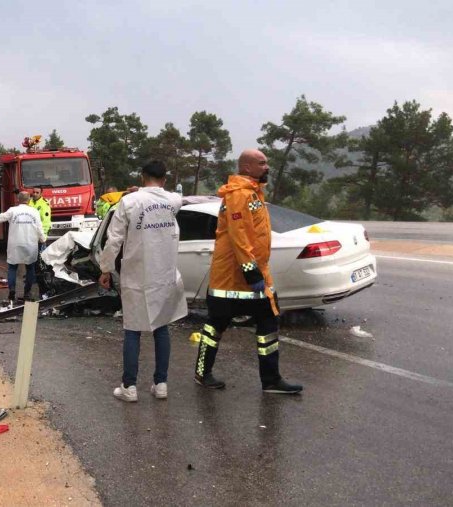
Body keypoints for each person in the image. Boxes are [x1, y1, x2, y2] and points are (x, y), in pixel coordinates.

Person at [193, 149, 302, 394]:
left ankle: (271, 379)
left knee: (268, 324)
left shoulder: (254, 193)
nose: (267, 167)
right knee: (215, 326)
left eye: (267, 162)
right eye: (262, 163)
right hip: (230, 280)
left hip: (255, 277)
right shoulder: (238, 196)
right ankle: (202, 372)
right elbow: (239, 236)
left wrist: (257, 273)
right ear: (246, 168)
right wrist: (250, 271)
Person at [99, 160, 186, 402]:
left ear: (141, 177)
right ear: (165, 179)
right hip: (164, 275)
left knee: (133, 329)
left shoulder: (129, 202)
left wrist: (105, 269)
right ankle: (161, 384)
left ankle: (130, 386)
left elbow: (114, 239)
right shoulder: (173, 200)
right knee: (161, 327)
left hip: (137, 274)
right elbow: (180, 198)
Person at [0, 192, 45, 306]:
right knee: (30, 268)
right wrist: (43, 240)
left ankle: (12, 291)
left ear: (18, 200)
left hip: (15, 245)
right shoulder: (35, 212)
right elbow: (39, 228)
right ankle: (27, 293)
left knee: (12, 268)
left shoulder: (12, 210)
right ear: (28, 200)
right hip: (30, 244)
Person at [30, 187, 53, 298]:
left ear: (41, 194)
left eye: (37, 192)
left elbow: (46, 222)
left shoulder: (44, 204)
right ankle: (33, 279)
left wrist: (42, 237)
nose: (34, 194)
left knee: (40, 263)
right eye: (33, 192)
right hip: (29, 237)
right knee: (30, 261)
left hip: (39, 237)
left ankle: (43, 288)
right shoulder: (29, 202)